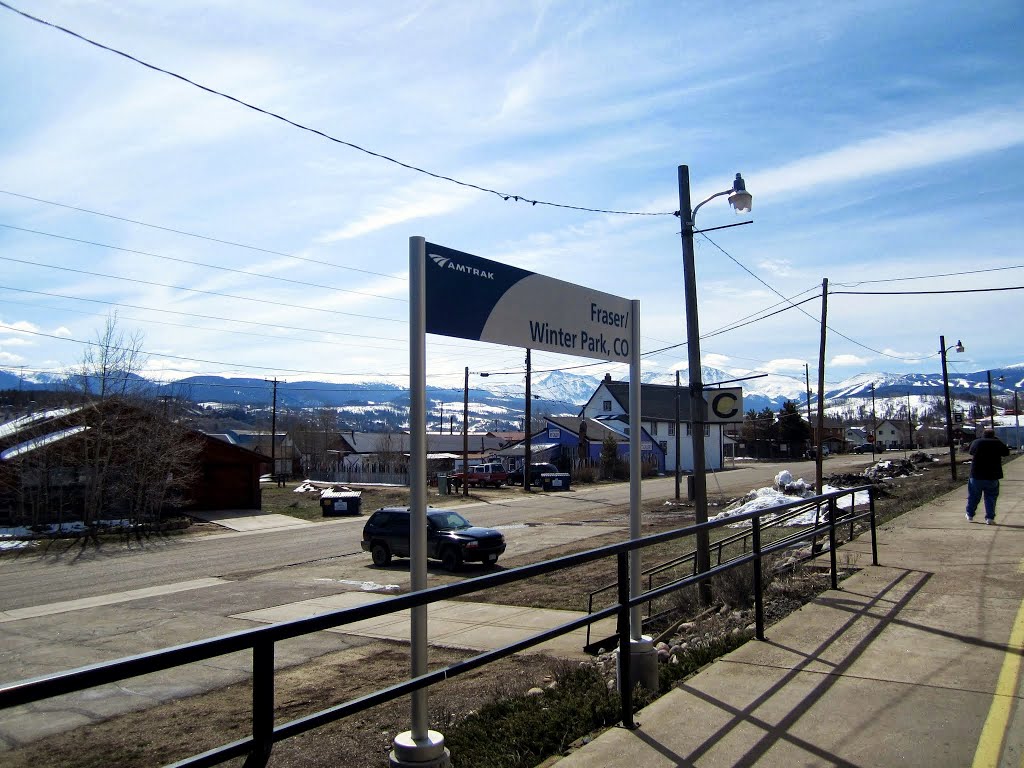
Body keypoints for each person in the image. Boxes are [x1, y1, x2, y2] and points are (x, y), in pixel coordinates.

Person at [966, 427, 1010, 524]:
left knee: (973, 496)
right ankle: (989, 518)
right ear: (993, 434)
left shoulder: (976, 442)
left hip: (976, 474)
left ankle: (970, 514)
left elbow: (970, 452)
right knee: (991, 496)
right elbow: (1006, 452)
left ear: (983, 434)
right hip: (992, 475)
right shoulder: (997, 442)